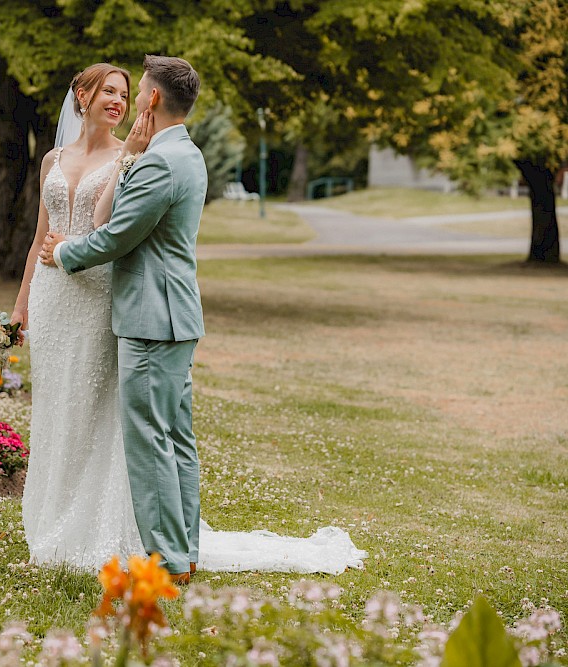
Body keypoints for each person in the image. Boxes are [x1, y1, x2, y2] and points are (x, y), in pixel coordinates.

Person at [23, 56, 368, 579]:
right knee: (174, 439)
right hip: (165, 314)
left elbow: (117, 235)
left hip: (150, 318)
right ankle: (183, 549)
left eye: (135, 90)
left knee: (151, 442)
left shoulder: (158, 162)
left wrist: (65, 251)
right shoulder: (183, 152)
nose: (128, 100)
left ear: (153, 98)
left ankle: (169, 559)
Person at [11, 62, 149, 569]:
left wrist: (129, 159)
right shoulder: (52, 158)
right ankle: (50, 519)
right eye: (109, 91)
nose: (118, 101)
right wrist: (21, 306)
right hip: (50, 299)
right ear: (83, 96)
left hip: (96, 295)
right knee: (55, 406)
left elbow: (111, 228)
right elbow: (37, 238)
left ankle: (92, 524)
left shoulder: (129, 157)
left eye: (124, 94)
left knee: (92, 405)